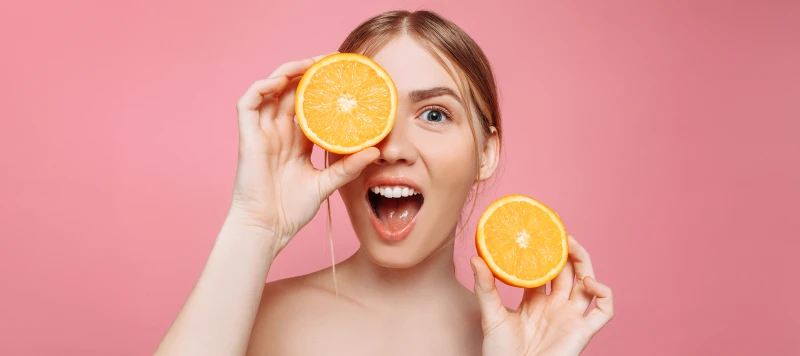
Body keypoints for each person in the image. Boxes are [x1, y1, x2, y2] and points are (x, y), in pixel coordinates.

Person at [155, 10, 614, 356]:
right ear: (333, 140)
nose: (393, 148)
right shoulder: (251, 319)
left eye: (434, 114)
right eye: (371, 117)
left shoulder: (521, 343)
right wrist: (254, 223)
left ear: (487, 153)